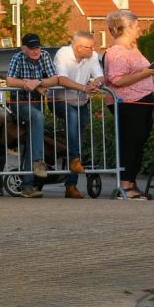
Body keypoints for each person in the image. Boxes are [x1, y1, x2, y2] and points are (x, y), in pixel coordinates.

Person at [103, 10, 154, 201]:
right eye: (135, 26)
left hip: (141, 101)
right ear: (125, 29)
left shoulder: (132, 48)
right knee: (131, 142)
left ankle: (131, 182)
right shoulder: (116, 53)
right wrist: (146, 74)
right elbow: (117, 80)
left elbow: (140, 70)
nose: (139, 29)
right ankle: (125, 186)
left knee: (138, 142)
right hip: (128, 103)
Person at [5, 33, 60, 198]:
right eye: (32, 48)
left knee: (32, 139)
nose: (36, 50)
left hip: (37, 104)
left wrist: (38, 83)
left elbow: (55, 79)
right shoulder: (17, 57)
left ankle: (28, 185)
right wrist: (26, 84)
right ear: (23, 48)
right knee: (38, 118)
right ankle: (37, 161)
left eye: (38, 47)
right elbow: (9, 81)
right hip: (19, 104)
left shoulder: (44, 56)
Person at [52, 31, 105, 199]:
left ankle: (71, 186)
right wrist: (84, 88)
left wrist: (97, 82)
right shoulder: (63, 54)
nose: (93, 49)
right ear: (78, 47)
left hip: (81, 101)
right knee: (73, 121)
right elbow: (61, 79)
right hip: (59, 100)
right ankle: (74, 160)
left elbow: (101, 75)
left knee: (77, 135)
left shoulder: (93, 56)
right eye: (90, 47)